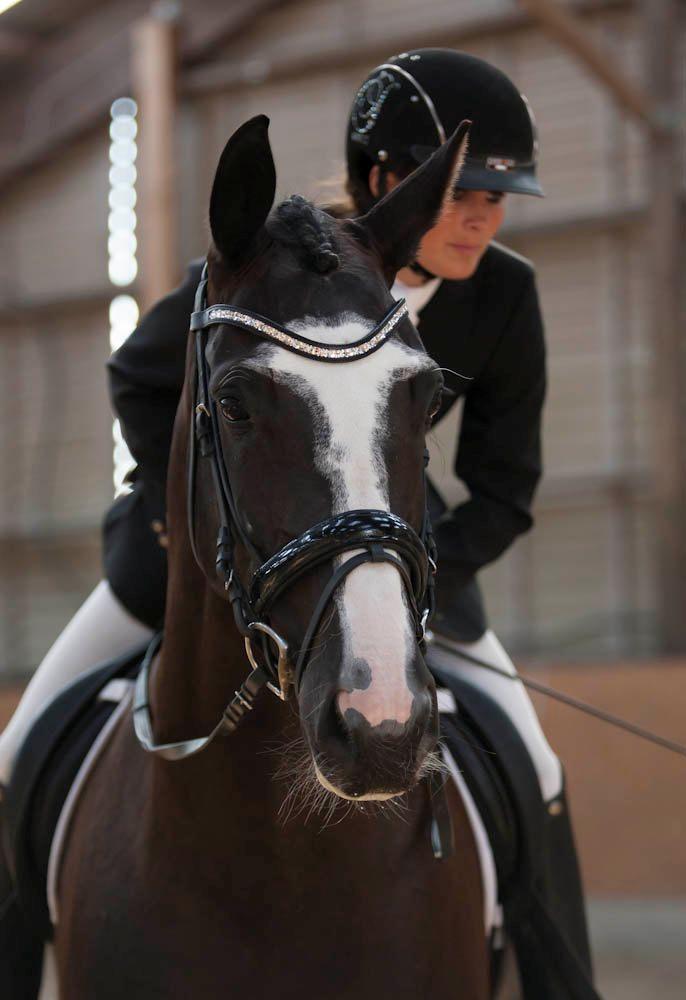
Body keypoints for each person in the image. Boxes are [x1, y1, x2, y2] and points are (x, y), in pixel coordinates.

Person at [0, 48, 593, 987]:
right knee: (19, 748)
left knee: (537, 763)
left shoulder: (506, 295)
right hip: (189, 558)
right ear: (385, 180)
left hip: (395, 566)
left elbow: (507, 482)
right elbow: (137, 375)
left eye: (498, 198)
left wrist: (403, 577)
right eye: (465, 195)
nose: (483, 217)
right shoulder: (269, 276)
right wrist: (180, 520)